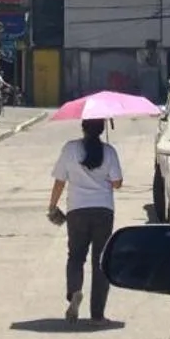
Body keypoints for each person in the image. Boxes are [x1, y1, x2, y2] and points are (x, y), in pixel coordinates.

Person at [48, 118, 123, 324]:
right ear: (102, 129)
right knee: (100, 261)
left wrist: (52, 206)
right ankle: (97, 315)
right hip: (103, 210)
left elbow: (60, 181)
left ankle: (75, 292)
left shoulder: (70, 149)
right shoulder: (109, 151)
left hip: (77, 210)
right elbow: (117, 183)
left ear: (83, 128)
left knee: (75, 257)